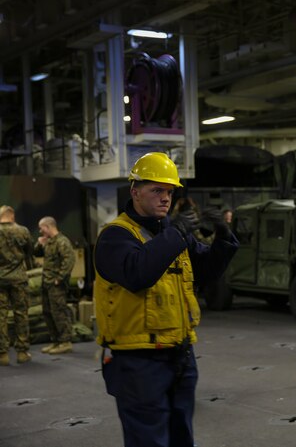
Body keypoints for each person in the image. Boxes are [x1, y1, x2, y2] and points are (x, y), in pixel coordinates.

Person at [93, 152, 238, 447]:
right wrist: (178, 233)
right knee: (149, 440)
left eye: (169, 191)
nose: (165, 198)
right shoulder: (115, 237)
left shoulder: (172, 233)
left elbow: (206, 270)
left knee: (181, 436)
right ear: (135, 192)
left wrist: (223, 235)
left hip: (180, 355)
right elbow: (138, 274)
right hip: (138, 361)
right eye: (156, 190)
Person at [34, 216, 76, 355]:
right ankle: (56, 341)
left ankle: (65, 342)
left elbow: (69, 260)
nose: (40, 231)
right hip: (47, 282)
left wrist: (60, 278)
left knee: (59, 312)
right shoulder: (49, 242)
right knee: (47, 312)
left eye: (41, 228)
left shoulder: (62, 241)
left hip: (56, 284)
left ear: (48, 226)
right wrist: (40, 244)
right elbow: (36, 253)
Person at [0, 206, 34, 365]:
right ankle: (22, 352)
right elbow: (29, 252)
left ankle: (3, 354)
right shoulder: (23, 231)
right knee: (21, 313)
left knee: (1, 316)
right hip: (19, 279)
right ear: (12, 216)